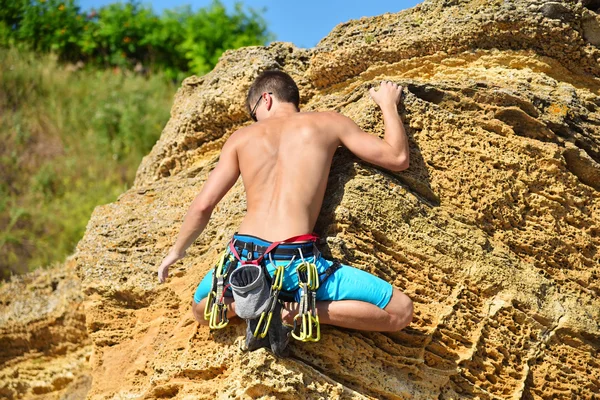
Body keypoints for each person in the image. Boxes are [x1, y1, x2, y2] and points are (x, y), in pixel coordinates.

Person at [157, 70, 413, 333]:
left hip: (243, 260)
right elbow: (397, 158)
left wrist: (176, 252)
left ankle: (251, 302)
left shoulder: (241, 138)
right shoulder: (329, 123)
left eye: (253, 111)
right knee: (400, 310)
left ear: (266, 99)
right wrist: (388, 105)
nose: (255, 119)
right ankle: (299, 310)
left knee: (200, 307)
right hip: (295, 262)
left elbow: (203, 205)